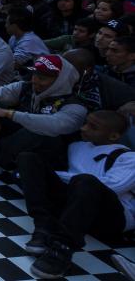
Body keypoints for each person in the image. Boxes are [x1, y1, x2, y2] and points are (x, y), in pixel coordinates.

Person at [18, 110, 135, 279]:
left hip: (111, 218)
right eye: (85, 123)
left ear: (114, 136)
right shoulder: (76, 146)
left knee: (86, 181)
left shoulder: (129, 158)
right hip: (75, 208)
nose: (84, 128)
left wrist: (62, 177)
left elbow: (113, 186)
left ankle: (61, 249)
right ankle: (43, 225)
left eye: (93, 127)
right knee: (28, 159)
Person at [0, 54, 87, 178]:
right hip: (21, 145)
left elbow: (55, 125)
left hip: (52, 156)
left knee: (39, 131)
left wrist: (9, 113)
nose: (35, 80)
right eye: (35, 75)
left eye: (42, 78)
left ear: (60, 80)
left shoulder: (75, 106)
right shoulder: (25, 87)